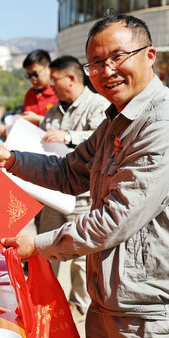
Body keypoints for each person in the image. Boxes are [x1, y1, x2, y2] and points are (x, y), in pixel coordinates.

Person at [0, 13, 169, 338]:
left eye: (118, 56)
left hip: (154, 318)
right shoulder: (114, 122)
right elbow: (68, 172)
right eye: (97, 62)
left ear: (150, 55)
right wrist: (10, 159)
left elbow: (114, 221)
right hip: (110, 306)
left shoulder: (166, 127)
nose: (107, 70)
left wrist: (35, 246)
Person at [38, 55, 109, 321]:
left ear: (71, 78)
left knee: (82, 256)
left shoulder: (98, 105)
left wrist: (68, 137)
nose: (50, 85)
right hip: (53, 194)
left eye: (54, 80)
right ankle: (44, 299)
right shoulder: (52, 113)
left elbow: (103, 134)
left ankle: (79, 304)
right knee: (45, 249)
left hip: (84, 195)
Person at [20, 49, 58, 125]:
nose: (32, 79)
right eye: (29, 75)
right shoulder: (29, 95)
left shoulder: (59, 93)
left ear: (48, 68)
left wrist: (38, 119)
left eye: (35, 74)